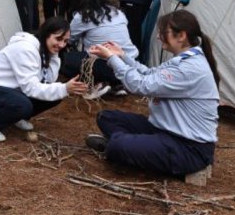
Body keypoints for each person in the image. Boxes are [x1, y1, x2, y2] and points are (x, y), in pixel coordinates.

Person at [85, 10, 219, 177]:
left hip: (188, 148)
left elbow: (141, 85)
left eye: (163, 32)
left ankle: (124, 147)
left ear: (181, 36)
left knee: (118, 146)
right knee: (106, 117)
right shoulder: (183, 59)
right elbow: (149, 73)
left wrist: (112, 59)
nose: (158, 36)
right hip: (164, 130)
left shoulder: (190, 68)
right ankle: (136, 148)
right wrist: (123, 56)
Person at [0, 17, 88, 142]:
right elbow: (31, 88)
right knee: (23, 105)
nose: (62, 45)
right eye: (58, 39)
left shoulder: (44, 49)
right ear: (46, 33)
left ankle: (16, 117)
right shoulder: (25, 49)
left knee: (56, 95)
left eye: (65, 41)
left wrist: (54, 56)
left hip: (11, 90)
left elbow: (49, 80)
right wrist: (64, 87)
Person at [62, 0, 139, 98]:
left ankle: (98, 84)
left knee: (65, 61)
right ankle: (117, 84)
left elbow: (68, 39)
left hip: (107, 66)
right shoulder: (118, 12)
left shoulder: (83, 16)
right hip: (131, 63)